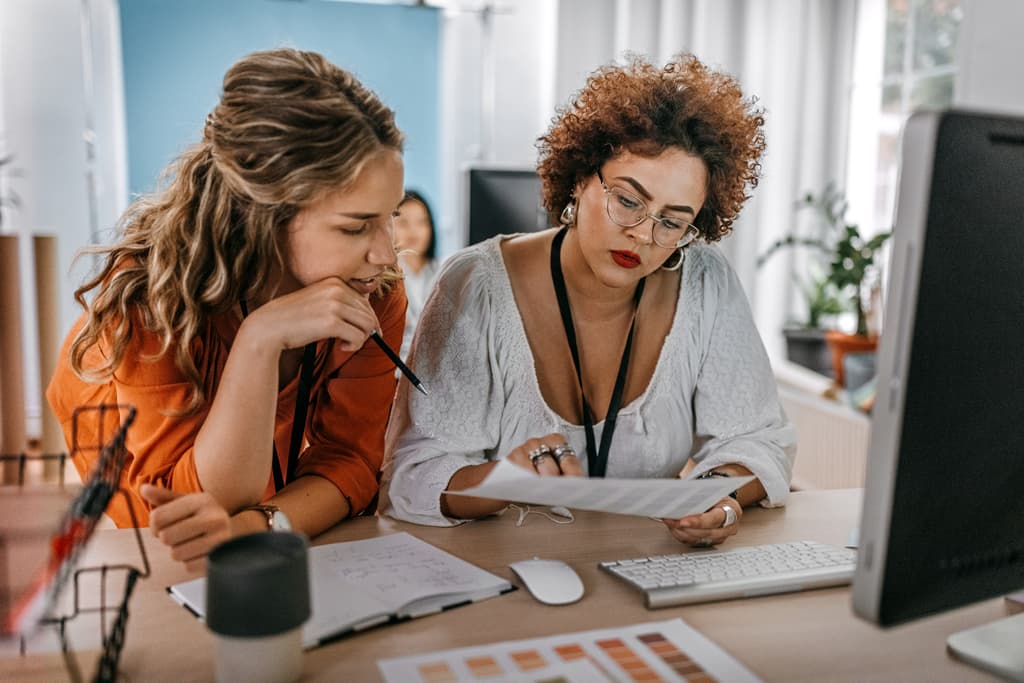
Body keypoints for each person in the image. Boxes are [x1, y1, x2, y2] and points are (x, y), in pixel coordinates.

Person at [382, 53, 796, 548]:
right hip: (500, 571)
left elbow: (757, 439)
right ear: (581, 176)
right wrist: (505, 480)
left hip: (648, 564)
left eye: (672, 222)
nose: (642, 234)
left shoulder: (706, 281)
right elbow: (413, 476)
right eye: (628, 200)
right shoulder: (475, 285)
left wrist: (712, 495)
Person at [46, 48, 407, 571]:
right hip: (139, 498)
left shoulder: (375, 290)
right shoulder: (150, 298)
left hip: (245, 475)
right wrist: (260, 340)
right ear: (264, 214)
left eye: (391, 217)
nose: (387, 254)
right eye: (356, 227)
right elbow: (186, 513)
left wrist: (260, 525)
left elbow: (352, 461)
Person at [394, 189, 440, 360]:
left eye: (422, 222)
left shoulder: (443, 270)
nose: (414, 231)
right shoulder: (384, 276)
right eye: (404, 223)